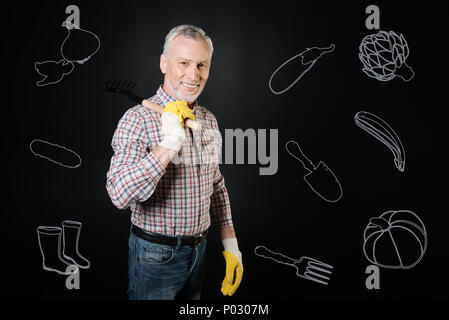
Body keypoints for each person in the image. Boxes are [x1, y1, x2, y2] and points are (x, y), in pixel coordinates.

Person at [106, 24, 243, 300]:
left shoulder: (208, 119)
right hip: (155, 257)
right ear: (163, 63)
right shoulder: (137, 119)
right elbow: (119, 194)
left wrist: (231, 245)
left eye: (202, 65)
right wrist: (167, 145)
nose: (193, 75)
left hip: (200, 252)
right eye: (184, 63)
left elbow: (216, 185)